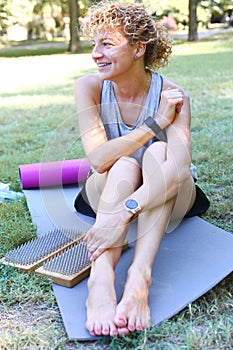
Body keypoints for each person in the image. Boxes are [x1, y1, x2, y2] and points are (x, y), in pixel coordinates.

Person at [74, 1, 209, 337]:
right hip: (109, 185)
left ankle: (139, 277)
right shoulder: (89, 87)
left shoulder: (173, 94)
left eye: (107, 44)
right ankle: (101, 281)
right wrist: (155, 123)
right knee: (121, 163)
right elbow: (99, 159)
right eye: (95, 44)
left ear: (138, 48)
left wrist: (124, 212)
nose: (95, 54)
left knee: (161, 152)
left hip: (163, 194)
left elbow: (178, 170)